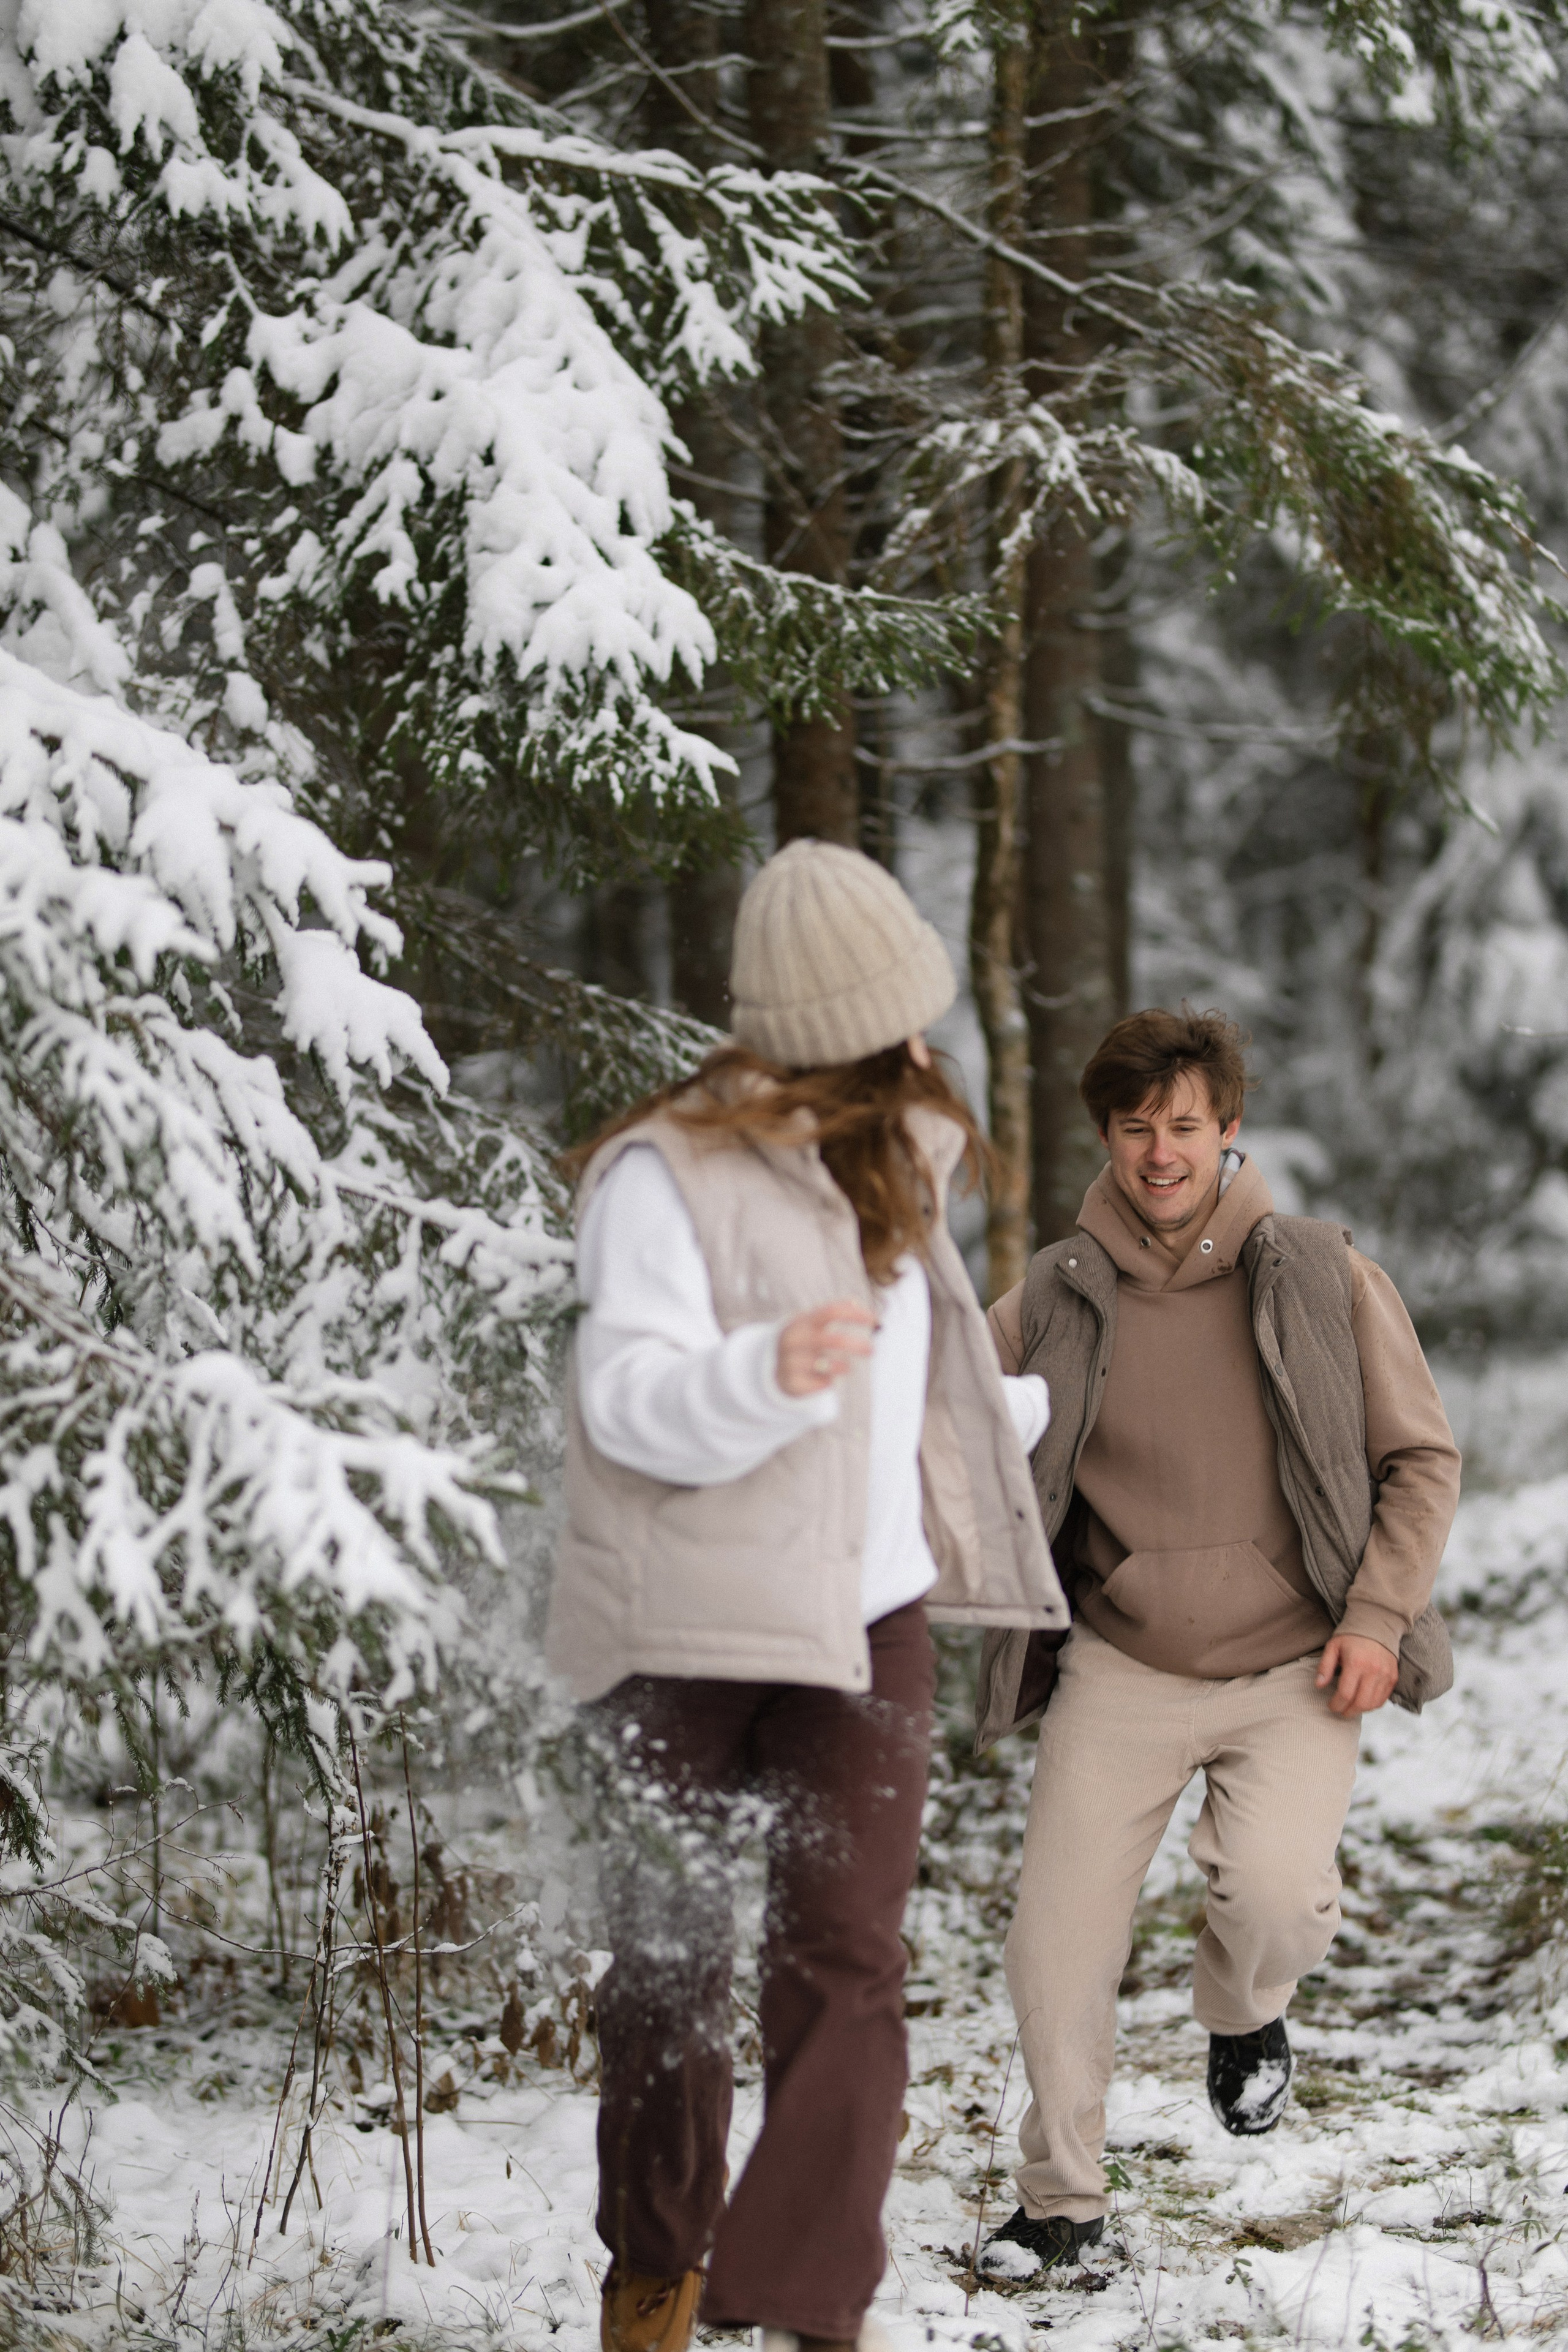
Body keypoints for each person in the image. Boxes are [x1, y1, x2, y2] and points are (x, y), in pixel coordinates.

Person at [546, 839, 1069, 2352]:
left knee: (848, 1966)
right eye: (890, 1016)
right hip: (683, 1631)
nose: (921, 1042)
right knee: (667, 1966)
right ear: (816, 1024)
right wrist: (757, 1376)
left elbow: (902, 1386)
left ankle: (807, 2312)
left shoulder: (901, 1146)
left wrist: (1021, 1425)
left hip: (863, 1626)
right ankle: (654, 2274)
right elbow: (628, 1397)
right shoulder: (661, 1172)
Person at [978, 1006, 1461, 2275]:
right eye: (1133, 1128)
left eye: (1181, 1126)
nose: (1156, 1153)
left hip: (1297, 1662)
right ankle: (1061, 2208)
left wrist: (1373, 1618)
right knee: (1054, 1941)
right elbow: (948, 1420)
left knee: (1275, 1902)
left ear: (1225, 1131)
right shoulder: (1052, 1294)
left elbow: (1418, 1460)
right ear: (1104, 1134)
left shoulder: (1317, 1270)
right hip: (1121, 1664)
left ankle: (1244, 2016)